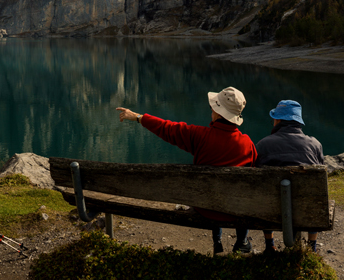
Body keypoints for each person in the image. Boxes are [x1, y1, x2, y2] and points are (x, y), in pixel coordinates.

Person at [117, 87, 258, 255]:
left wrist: (138, 117)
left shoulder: (199, 136)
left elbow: (167, 128)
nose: (211, 110)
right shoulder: (247, 144)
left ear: (218, 114)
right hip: (234, 209)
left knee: (212, 194)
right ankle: (241, 242)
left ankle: (217, 241)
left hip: (205, 208)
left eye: (213, 107)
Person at [254, 99, 324, 252]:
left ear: (278, 120)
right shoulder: (315, 145)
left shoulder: (263, 145)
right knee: (313, 195)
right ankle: (312, 247)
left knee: (265, 195)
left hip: (271, 211)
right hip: (308, 211)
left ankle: (270, 245)